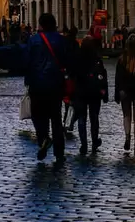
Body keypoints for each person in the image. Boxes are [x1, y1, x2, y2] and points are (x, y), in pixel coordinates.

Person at [25, 12, 69, 163]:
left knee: (38, 115)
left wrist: (28, 81)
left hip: (37, 84)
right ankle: (59, 152)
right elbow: (65, 61)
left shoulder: (33, 40)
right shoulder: (61, 40)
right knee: (56, 118)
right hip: (55, 84)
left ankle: (43, 139)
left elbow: (28, 62)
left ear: (41, 25)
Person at [71, 37, 108, 155]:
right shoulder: (96, 59)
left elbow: (72, 76)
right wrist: (104, 93)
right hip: (94, 92)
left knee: (82, 118)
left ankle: (84, 144)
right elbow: (103, 77)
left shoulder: (77, 58)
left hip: (81, 92)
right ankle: (94, 141)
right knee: (94, 117)